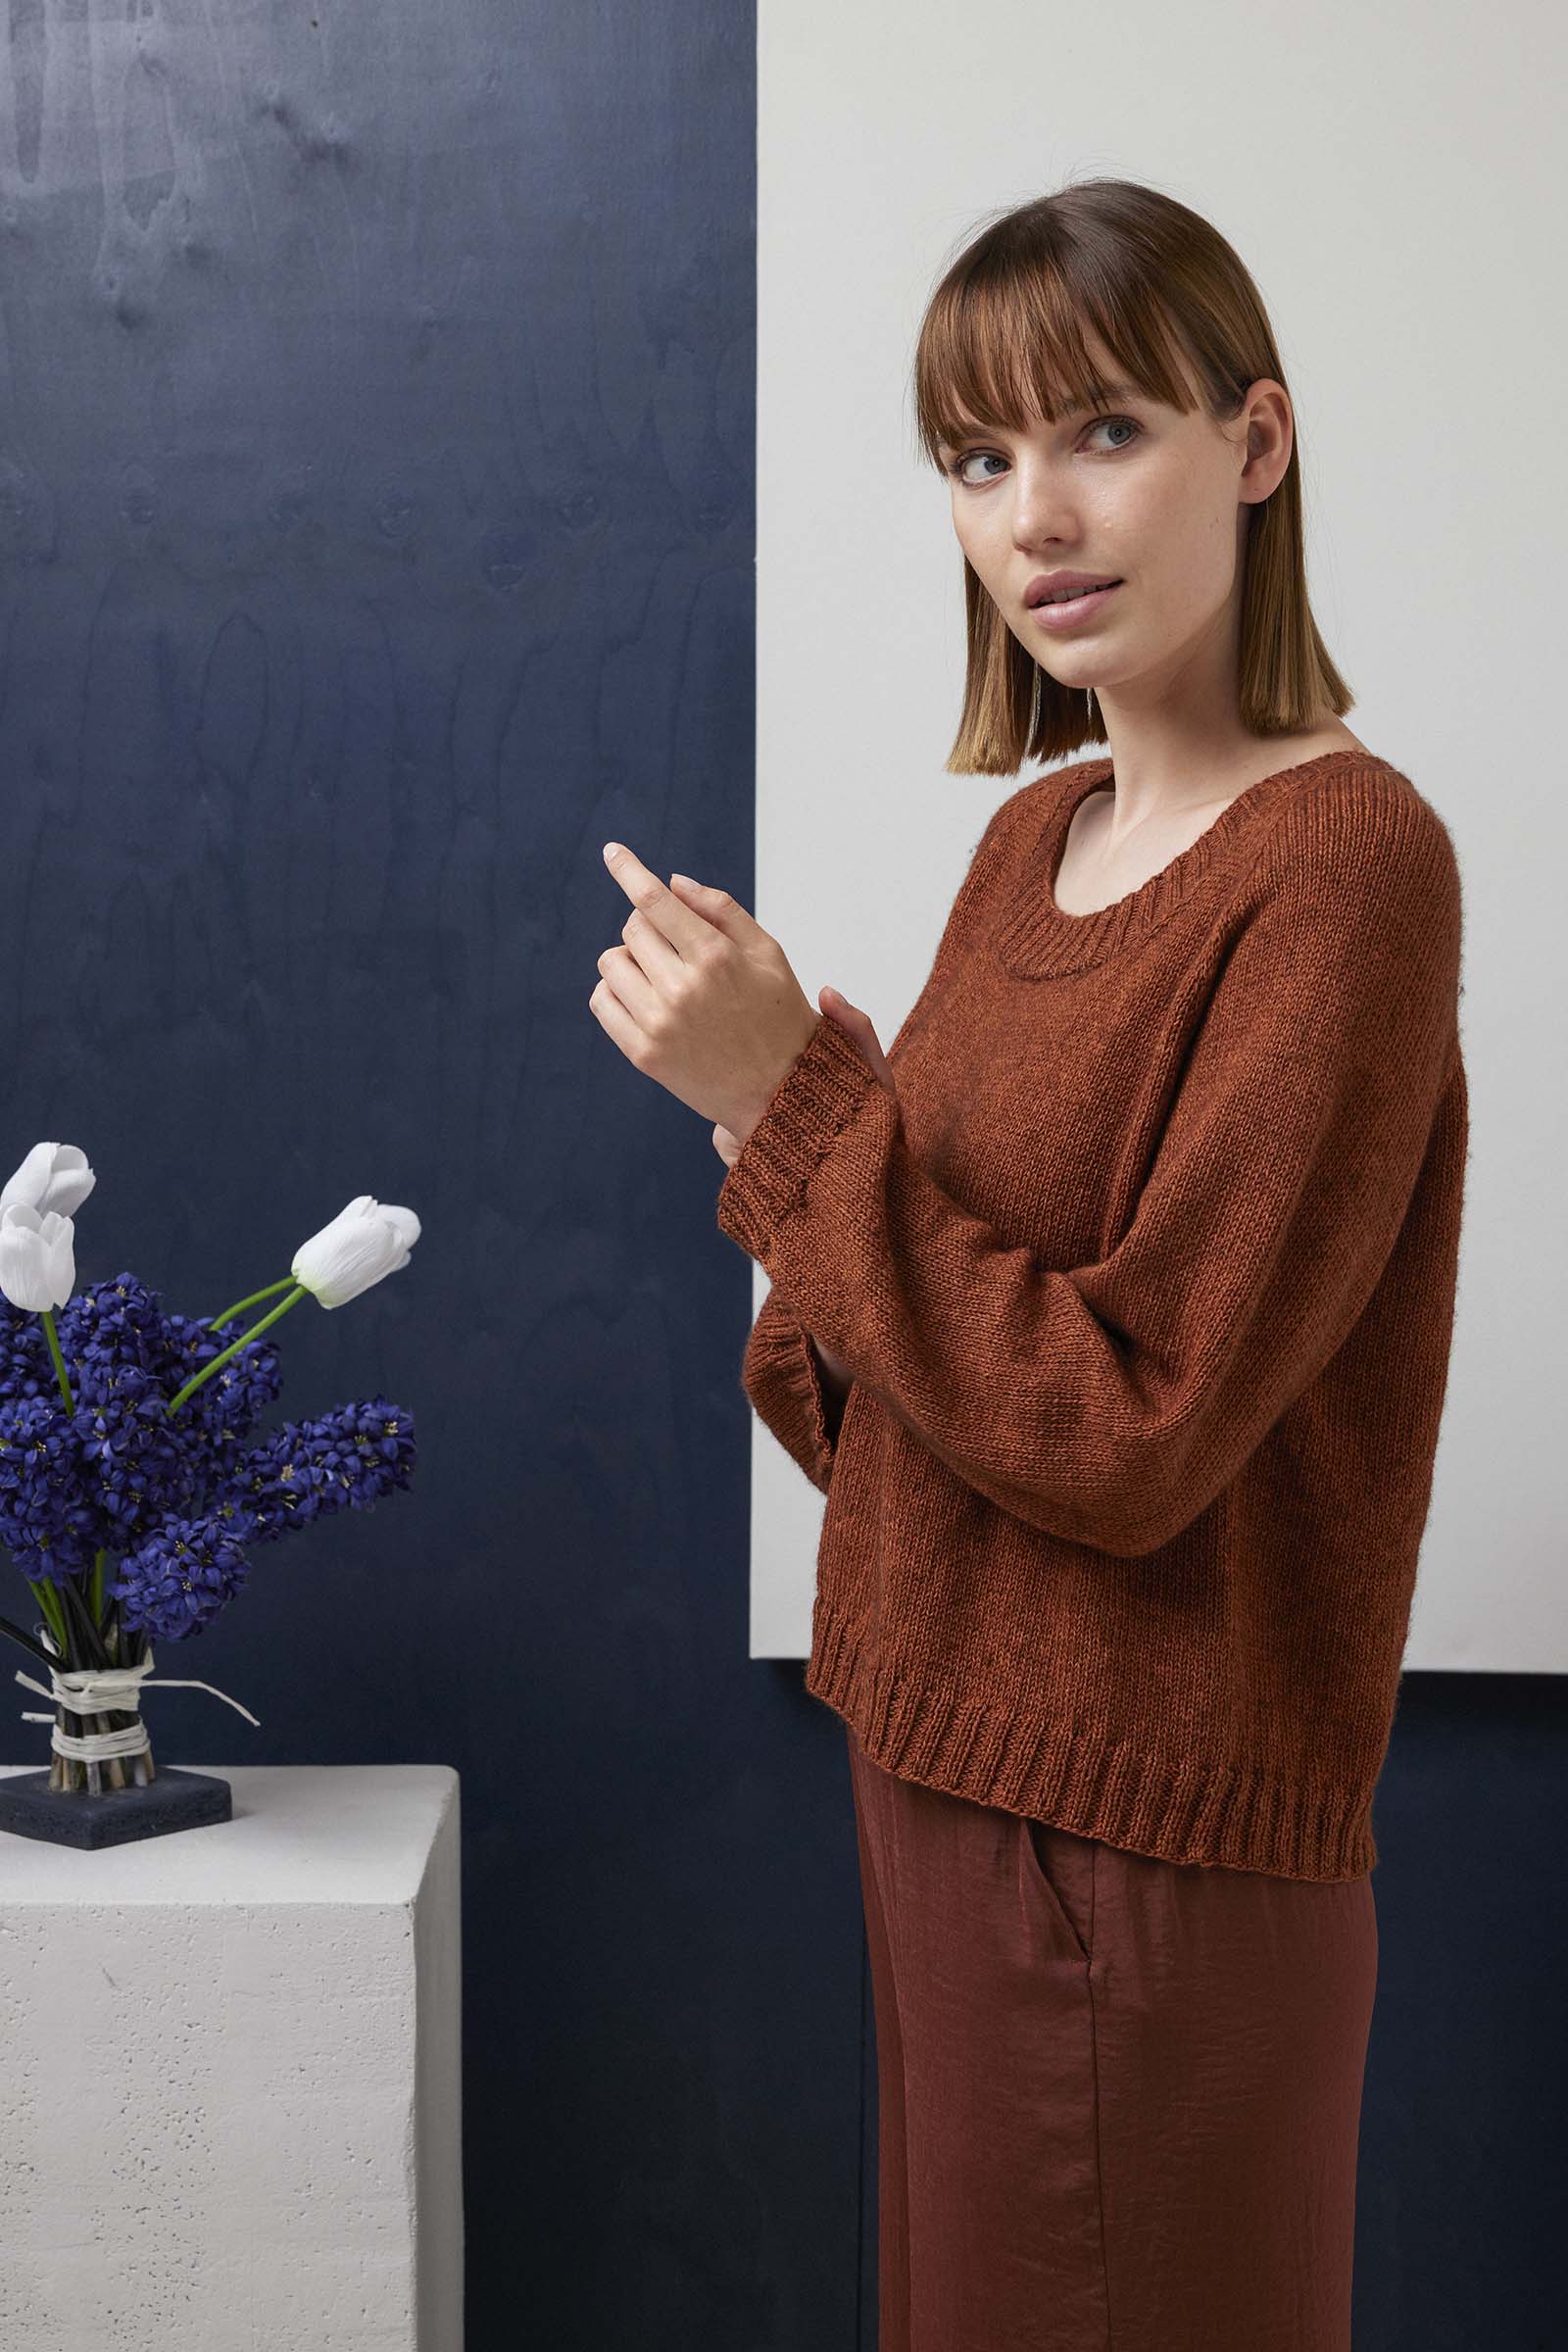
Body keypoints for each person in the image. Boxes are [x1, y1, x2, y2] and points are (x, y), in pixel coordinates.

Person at [715, 177, 1469, 2350]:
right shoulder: (1024, 846)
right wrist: (775, 1128)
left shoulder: (1344, 867)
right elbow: (884, 1404)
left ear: (1256, 442)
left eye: (1103, 431)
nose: (1033, 514)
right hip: (940, 1772)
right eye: (974, 458)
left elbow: (1127, 1436)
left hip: (1139, 1843)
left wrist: (801, 1119)